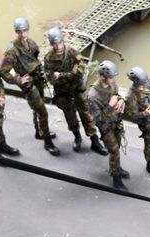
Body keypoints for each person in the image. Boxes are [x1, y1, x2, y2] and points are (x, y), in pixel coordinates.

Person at [43, 27, 108, 155]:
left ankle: (94, 141)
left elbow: (81, 71)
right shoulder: (48, 58)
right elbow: (51, 80)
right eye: (55, 43)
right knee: (70, 116)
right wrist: (70, 74)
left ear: (63, 41)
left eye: (60, 42)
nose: (58, 46)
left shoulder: (72, 52)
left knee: (86, 114)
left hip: (77, 89)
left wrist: (61, 75)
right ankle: (77, 137)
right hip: (63, 93)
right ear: (51, 44)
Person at [0, 17, 59, 156]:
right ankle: (47, 141)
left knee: (38, 107)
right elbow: (3, 70)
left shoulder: (31, 43)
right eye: (20, 31)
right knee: (42, 111)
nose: (23, 34)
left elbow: (36, 57)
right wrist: (18, 80)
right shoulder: (12, 50)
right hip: (28, 84)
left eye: (25, 30)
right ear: (16, 32)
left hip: (37, 79)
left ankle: (39, 132)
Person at [87, 61, 129, 190]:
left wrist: (120, 101)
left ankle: (115, 167)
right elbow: (97, 118)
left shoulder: (111, 83)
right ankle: (116, 177)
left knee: (117, 146)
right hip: (106, 127)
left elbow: (117, 93)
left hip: (115, 121)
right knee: (114, 151)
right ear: (103, 77)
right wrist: (110, 105)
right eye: (111, 77)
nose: (113, 80)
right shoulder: (92, 96)